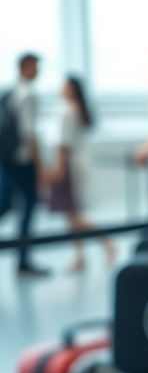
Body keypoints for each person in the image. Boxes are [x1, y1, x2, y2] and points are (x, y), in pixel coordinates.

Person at [49, 76, 115, 270]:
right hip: (74, 162)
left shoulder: (67, 110)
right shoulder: (76, 109)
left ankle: (107, 243)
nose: (59, 87)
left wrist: (58, 168)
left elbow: (63, 144)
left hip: (67, 164)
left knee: (74, 214)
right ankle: (80, 256)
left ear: (71, 89)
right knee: (70, 215)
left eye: (64, 85)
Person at [0, 53, 48, 275]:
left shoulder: (10, 92)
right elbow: (30, 134)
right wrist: (39, 166)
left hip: (6, 158)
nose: (38, 71)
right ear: (25, 66)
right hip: (21, 160)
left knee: (6, 204)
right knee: (28, 207)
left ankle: (23, 259)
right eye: (36, 66)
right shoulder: (27, 94)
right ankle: (23, 261)